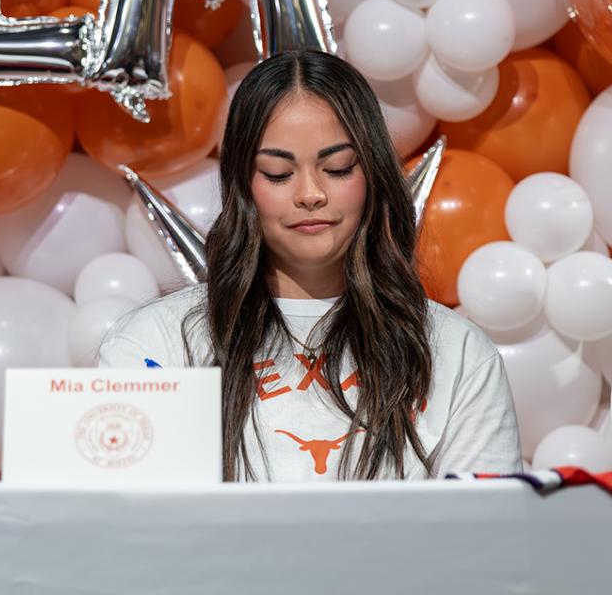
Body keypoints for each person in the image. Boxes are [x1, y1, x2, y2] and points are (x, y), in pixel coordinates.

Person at [99, 50, 521, 482]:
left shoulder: (457, 352)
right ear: (243, 183)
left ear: (373, 172)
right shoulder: (155, 343)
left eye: (337, 168)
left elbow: (483, 539)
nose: (310, 193)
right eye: (278, 173)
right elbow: (132, 531)